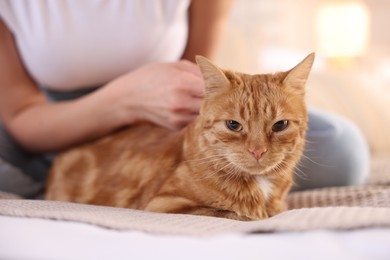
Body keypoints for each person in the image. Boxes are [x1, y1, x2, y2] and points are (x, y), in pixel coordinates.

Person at [0, 0, 369, 198]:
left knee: (342, 148)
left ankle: (57, 182)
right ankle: (67, 176)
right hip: (53, 121)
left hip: (165, 113)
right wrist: (123, 101)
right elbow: (20, 116)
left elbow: (204, 83)